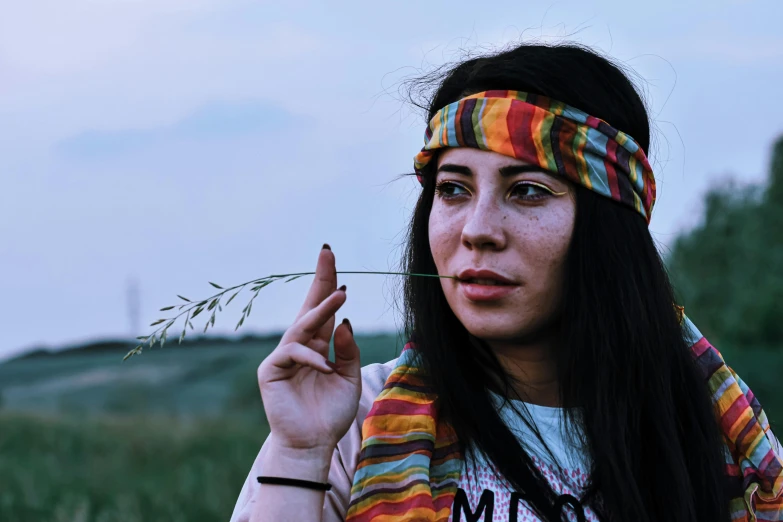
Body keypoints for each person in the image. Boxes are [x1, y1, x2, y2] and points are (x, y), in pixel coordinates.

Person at [229, 42, 783, 522]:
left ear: (607, 228)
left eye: (527, 191)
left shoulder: (709, 439)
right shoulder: (354, 421)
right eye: (453, 189)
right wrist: (300, 456)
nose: (477, 230)